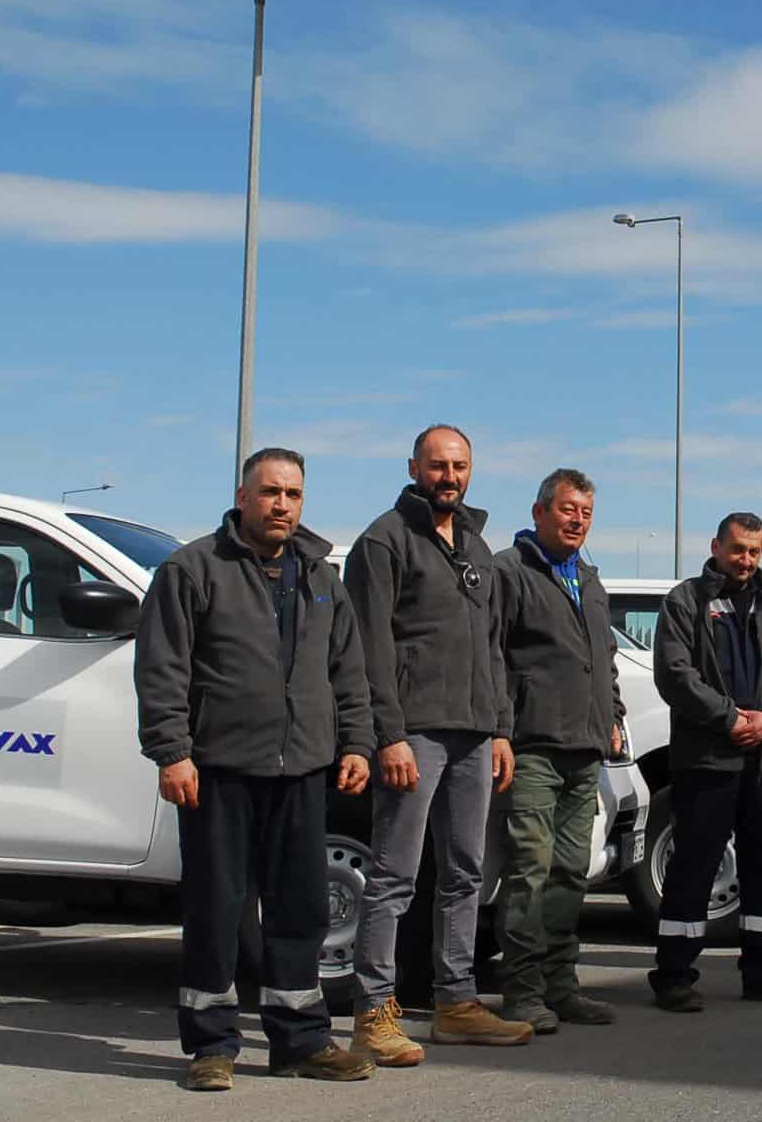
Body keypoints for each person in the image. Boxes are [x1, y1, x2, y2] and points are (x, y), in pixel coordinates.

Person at [136, 447, 377, 1091]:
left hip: (302, 769)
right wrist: (172, 751)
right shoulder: (193, 569)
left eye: (293, 494)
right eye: (270, 492)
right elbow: (162, 667)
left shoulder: (321, 577)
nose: (281, 505)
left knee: (301, 910)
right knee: (217, 909)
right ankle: (211, 1045)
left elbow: (348, 671)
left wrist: (357, 744)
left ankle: (301, 1041)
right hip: (220, 769)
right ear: (242, 497)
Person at [343, 425, 535, 1065]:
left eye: (459, 466)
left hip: (475, 734)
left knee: (464, 873)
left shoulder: (477, 546)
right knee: (394, 876)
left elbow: (493, 646)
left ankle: (457, 1004)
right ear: (413, 468)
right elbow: (368, 648)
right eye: (437, 466)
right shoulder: (383, 542)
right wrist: (388, 735)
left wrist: (500, 728)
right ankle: (374, 1013)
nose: (449, 477)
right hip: (415, 734)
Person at [648, 512, 762, 1011]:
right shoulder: (685, 601)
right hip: (707, 760)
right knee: (694, 866)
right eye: (738, 549)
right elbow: (675, 674)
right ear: (716, 547)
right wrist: (728, 718)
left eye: (754, 551)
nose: (746, 560)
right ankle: (674, 976)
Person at [492, 468, 625, 1033]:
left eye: (586, 513)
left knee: (571, 871)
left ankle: (560, 986)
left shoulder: (589, 581)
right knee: (530, 870)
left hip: (585, 748)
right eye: (568, 509)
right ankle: (522, 992)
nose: (577, 521)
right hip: (532, 750)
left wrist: (613, 713)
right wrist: (501, 730)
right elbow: (492, 656)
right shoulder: (509, 571)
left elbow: (604, 656)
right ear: (540, 511)